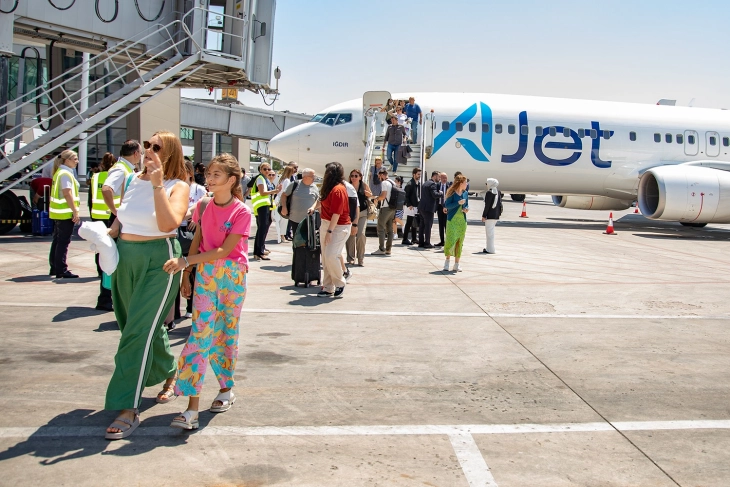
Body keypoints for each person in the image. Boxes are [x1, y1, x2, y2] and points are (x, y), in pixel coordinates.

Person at [104, 130, 190, 440]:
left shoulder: (177, 185)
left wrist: (157, 184)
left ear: (170, 154)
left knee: (137, 332)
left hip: (159, 260)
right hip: (126, 258)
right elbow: (122, 219)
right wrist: (107, 235)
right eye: (147, 145)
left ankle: (128, 406)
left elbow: (169, 224)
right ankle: (169, 372)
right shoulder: (130, 180)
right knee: (136, 325)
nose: (148, 151)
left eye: (156, 147)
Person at [162, 153, 251, 430]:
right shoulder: (202, 205)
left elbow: (225, 250)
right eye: (209, 174)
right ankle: (191, 407)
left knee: (225, 334)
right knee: (199, 334)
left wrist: (186, 263)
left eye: (216, 175)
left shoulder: (242, 212)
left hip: (232, 276)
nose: (209, 179)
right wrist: (187, 274)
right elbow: (198, 241)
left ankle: (226, 389)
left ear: (231, 180)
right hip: (206, 273)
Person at [167, 160, 208, 327]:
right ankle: (172, 312)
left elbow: (200, 209)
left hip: (191, 232)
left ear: (190, 173)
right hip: (174, 231)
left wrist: (195, 221)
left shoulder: (199, 190)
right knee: (174, 271)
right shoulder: (172, 187)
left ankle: (191, 308)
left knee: (191, 270)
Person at [317, 162, 351, 298]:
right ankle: (328, 286)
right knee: (326, 258)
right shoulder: (329, 188)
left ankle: (340, 283)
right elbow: (321, 201)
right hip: (327, 223)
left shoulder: (338, 189)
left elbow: (337, 213)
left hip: (338, 226)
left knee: (331, 255)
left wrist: (330, 232)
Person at [90, 153, 116, 311]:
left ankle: (104, 289)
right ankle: (106, 296)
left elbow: (91, 197)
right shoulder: (119, 174)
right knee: (110, 255)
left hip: (97, 215)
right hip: (112, 217)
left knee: (102, 251)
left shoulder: (96, 176)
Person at [49, 150, 80, 279]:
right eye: (74, 159)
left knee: (57, 240)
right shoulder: (65, 174)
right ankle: (61, 269)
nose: (77, 161)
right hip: (65, 212)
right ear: (66, 160)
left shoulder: (59, 172)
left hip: (58, 212)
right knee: (63, 242)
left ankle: (55, 267)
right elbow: (67, 193)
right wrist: (75, 211)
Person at [102, 140, 142, 218]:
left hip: (123, 213)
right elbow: (106, 189)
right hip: (119, 215)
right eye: (141, 153)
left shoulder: (126, 167)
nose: (141, 155)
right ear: (136, 153)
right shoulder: (121, 169)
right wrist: (115, 212)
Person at [250, 162, 282, 261]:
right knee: (262, 229)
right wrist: (275, 191)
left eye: (269, 169)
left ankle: (260, 250)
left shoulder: (265, 179)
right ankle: (258, 252)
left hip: (266, 206)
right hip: (261, 206)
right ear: (260, 170)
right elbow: (262, 192)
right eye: (265, 169)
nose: (267, 171)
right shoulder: (260, 178)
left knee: (264, 229)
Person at [279, 168, 319, 238]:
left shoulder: (315, 187)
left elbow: (318, 201)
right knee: (297, 242)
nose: (314, 178)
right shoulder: (295, 184)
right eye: (313, 176)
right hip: (295, 219)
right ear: (305, 177)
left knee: (309, 242)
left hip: (309, 220)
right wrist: (284, 207)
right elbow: (284, 195)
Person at [442, 175, 469, 272]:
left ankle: (457, 264)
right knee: (450, 240)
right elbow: (447, 205)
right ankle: (447, 262)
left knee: (459, 242)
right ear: (461, 183)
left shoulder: (465, 193)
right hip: (452, 220)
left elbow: (466, 204)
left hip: (462, 221)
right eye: (465, 182)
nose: (467, 184)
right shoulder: (452, 193)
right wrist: (458, 203)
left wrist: (466, 209)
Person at [346, 168, 371, 266]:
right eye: (352, 176)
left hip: (362, 213)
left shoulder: (364, 185)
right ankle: (351, 258)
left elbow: (371, 196)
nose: (354, 178)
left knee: (361, 235)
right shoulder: (347, 186)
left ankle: (360, 258)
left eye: (356, 176)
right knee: (351, 235)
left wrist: (369, 195)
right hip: (350, 214)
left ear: (360, 177)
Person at [371, 168, 395, 256]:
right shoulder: (393, 182)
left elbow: (383, 196)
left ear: (381, 175)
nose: (379, 178)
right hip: (393, 208)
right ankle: (388, 249)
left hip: (385, 208)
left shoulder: (385, 183)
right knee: (390, 230)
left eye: (379, 176)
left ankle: (381, 249)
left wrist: (377, 199)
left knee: (380, 228)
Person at [417, 170, 442, 249]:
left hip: (421, 207)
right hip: (428, 208)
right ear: (434, 176)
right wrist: (441, 193)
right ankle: (427, 243)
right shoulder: (432, 184)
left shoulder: (425, 183)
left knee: (422, 226)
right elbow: (435, 195)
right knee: (428, 226)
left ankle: (421, 242)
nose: (440, 178)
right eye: (439, 177)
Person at [275, 165, 297, 242]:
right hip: (283, 200)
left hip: (278, 199)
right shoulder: (287, 180)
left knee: (281, 219)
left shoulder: (282, 180)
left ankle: (281, 235)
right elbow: (287, 192)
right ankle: (282, 236)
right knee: (284, 220)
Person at [482, 178, 502, 254]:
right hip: (496, 215)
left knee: (489, 233)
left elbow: (487, 206)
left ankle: (490, 249)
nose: (486, 185)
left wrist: (484, 215)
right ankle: (489, 248)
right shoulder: (498, 192)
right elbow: (500, 204)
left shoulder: (489, 193)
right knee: (491, 233)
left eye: (487, 183)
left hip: (489, 216)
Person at [403, 167, 421, 245]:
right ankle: (405, 239)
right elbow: (406, 196)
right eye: (418, 174)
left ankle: (414, 238)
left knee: (415, 222)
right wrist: (409, 204)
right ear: (414, 174)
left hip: (416, 205)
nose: (419, 176)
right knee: (409, 222)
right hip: (410, 206)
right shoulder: (410, 184)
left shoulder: (418, 183)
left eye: (420, 174)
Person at [435, 172, 451, 247]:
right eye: (443, 178)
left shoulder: (449, 186)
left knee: (446, 225)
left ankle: (448, 240)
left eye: (446, 178)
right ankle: (442, 241)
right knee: (440, 225)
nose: (444, 179)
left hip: (447, 207)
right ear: (440, 178)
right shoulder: (437, 185)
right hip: (439, 207)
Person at [392, 175, 405, 239]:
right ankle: (395, 233)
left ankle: (402, 224)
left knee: (397, 218)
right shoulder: (393, 188)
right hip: (394, 207)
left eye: (396, 181)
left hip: (400, 207)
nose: (394, 182)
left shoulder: (402, 190)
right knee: (394, 220)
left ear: (399, 182)